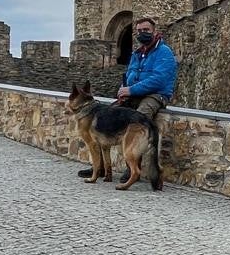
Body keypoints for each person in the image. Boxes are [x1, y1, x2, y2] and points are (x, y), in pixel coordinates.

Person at [76, 16, 177, 181]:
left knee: (140, 119)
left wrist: (131, 89)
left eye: (146, 30)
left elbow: (158, 80)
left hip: (156, 94)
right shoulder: (137, 53)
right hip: (135, 94)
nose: (142, 33)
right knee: (105, 118)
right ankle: (100, 166)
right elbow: (130, 74)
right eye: (139, 31)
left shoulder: (163, 52)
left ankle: (132, 168)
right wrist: (123, 89)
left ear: (154, 31)